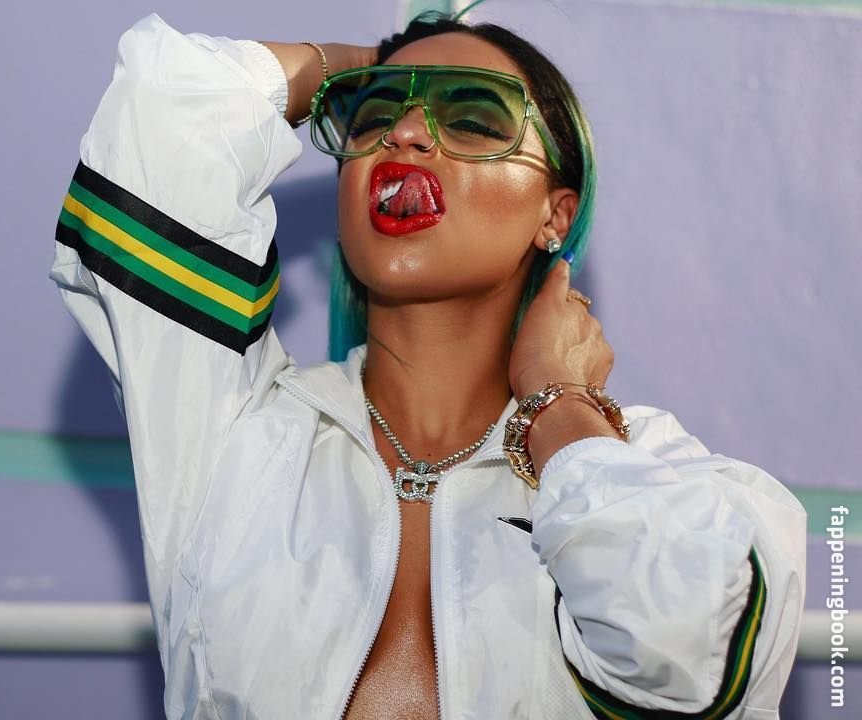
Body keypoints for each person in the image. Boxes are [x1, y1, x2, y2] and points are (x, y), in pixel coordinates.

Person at [51, 8, 805, 719]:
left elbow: (693, 654)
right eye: (373, 116)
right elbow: (165, 115)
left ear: (555, 214)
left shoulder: (661, 481)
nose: (405, 133)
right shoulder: (237, 437)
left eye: (472, 118)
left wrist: (558, 406)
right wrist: (349, 70)